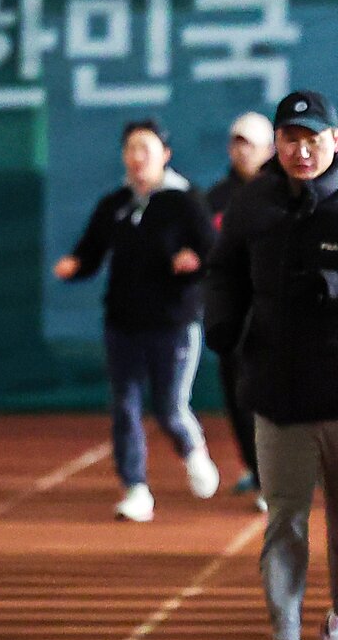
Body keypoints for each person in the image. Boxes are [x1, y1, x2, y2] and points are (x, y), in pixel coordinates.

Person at [203, 90, 338, 640]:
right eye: (291, 137)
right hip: (278, 398)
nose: (302, 149)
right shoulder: (251, 204)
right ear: (278, 143)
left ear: (336, 142)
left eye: (313, 137)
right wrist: (223, 331)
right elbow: (225, 272)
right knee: (283, 522)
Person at [53, 118, 220, 522]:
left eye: (145, 148)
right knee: (124, 407)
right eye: (130, 148)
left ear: (165, 154)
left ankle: (192, 449)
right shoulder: (114, 204)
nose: (137, 156)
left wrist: (193, 262)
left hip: (173, 323)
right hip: (122, 323)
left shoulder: (186, 200)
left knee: (168, 407)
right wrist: (75, 266)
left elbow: (214, 254)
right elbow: (90, 251)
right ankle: (135, 488)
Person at [206, 112, 275, 508]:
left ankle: (278, 471)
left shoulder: (283, 192)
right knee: (237, 397)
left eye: (248, 142)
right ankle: (258, 470)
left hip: (275, 314)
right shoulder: (215, 198)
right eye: (236, 141)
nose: (240, 149)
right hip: (233, 316)